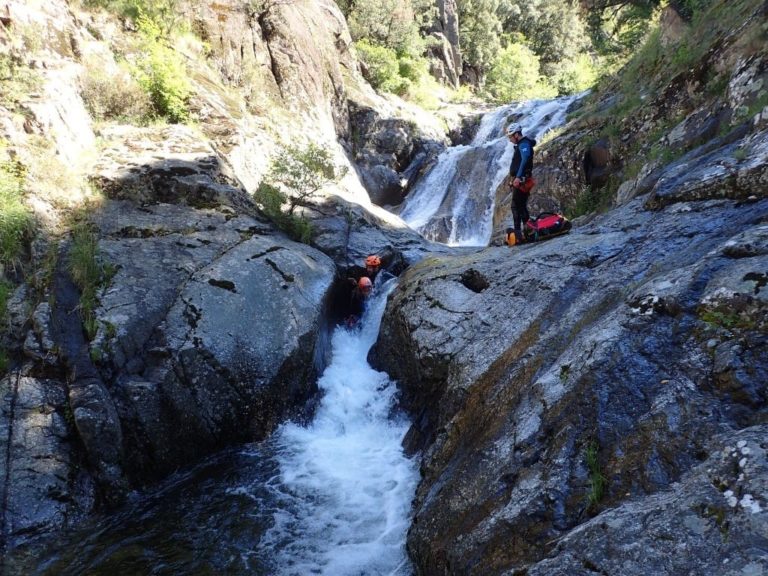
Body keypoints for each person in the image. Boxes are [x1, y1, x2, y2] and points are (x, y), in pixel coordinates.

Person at [506, 123, 537, 244]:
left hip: (522, 180)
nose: (510, 139)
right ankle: (528, 232)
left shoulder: (524, 143)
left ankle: (519, 234)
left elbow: (525, 159)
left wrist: (518, 177)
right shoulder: (521, 144)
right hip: (520, 179)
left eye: (511, 136)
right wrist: (514, 178)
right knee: (520, 206)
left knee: (516, 207)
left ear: (517, 134)